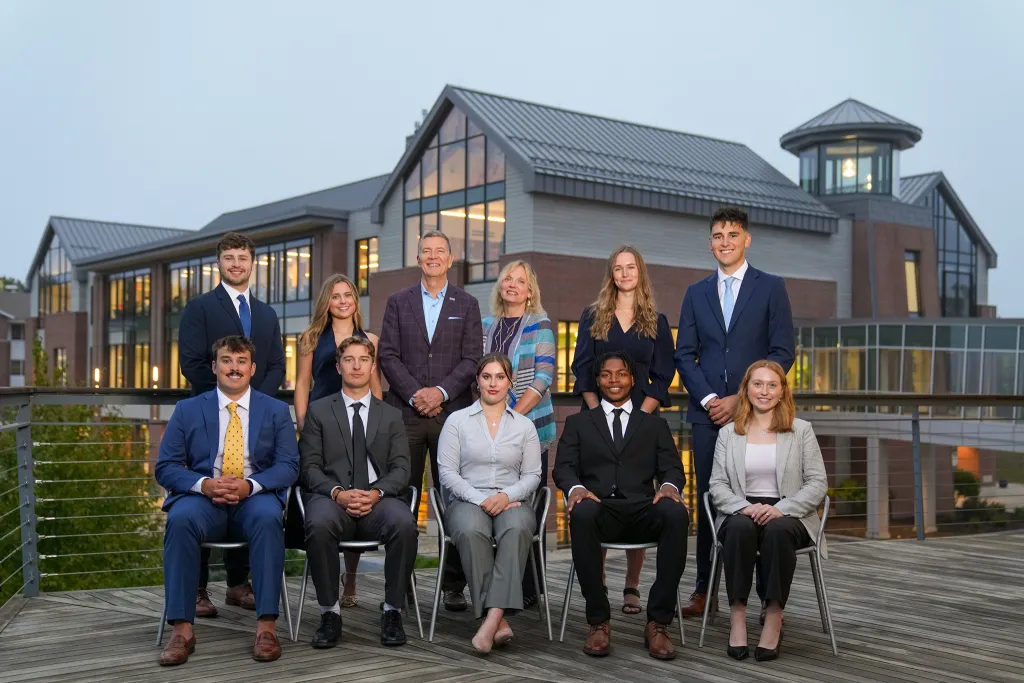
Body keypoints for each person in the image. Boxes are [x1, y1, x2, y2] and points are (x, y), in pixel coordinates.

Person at [674, 206, 795, 621]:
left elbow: (782, 353)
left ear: (747, 240)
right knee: (710, 500)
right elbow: (684, 355)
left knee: (762, 499)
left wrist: (740, 399)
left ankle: (765, 599)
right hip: (707, 418)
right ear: (710, 243)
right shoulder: (696, 293)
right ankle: (704, 589)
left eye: (732, 234)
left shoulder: (771, 287)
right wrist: (711, 400)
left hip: (758, 416)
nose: (725, 241)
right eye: (718, 235)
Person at [155, 335, 298, 666]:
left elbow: (290, 465)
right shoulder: (188, 409)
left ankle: (266, 627)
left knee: (268, 518)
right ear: (214, 366)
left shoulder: (276, 410)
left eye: (241, 361)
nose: (234, 368)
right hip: (204, 500)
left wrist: (251, 485)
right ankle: (182, 630)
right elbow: (166, 466)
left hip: (253, 499)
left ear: (253, 369)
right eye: (227, 361)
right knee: (180, 520)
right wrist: (204, 485)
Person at [553, 351, 689, 661]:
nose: (614, 380)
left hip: (642, 508)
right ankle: (598, 620)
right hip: (600, 509)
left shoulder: (652, 424)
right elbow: (563, 468)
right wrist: (576, 489)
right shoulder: (579, 423)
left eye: (621, 374)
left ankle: (658, 622)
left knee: (676, 512)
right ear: (598, 380)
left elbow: (672, 469)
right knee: (582, 511)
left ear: (633, 379)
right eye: (606, 375)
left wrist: (669, 486)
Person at [178, 232, 286, 617]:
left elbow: (276, 365)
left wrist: (252, 400)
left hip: (256, 423)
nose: (236, 263)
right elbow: (190, 363)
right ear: (219, 264)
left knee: (247, 491)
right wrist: (230, 392)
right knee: (207, 495)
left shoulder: (267, 313)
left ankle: (239, 586)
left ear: (252, 263)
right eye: (229, 257)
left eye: (242, 257)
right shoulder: (200, 308)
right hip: (210, 419)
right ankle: (197, 590)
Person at [378, 229, 482, 612]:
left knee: (453, 498)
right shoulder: (397, 302)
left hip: (452, 416)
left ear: (450, 259)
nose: (433, 256)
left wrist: (439, 392)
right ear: (418, 259)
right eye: (426, 251)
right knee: (401, 501)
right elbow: (387, 355)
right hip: (405, 416)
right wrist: (414, 394)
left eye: (440, 251)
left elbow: (472, 359)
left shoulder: (468, 304)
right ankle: (399, 587)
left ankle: (454, 585)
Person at [570, 245, 675, 616]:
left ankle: (632, 586)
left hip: (640, 420)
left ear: (640, 272)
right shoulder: (592, 316)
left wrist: (642, 416)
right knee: (596, 496)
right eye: (618, 268)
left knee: (638, 493)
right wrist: (598, 415)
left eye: (631, 267)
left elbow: (663, 374)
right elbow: (581, 368)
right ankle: (596, 585)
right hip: (597, 418)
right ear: (611, 274)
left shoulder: (656, 321)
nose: (625, 273)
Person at [299, 336, 418, 648]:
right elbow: (309, 467)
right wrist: (338, 493)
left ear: (372, 365)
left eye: (363, 359)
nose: (356, 365)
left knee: (405, 523)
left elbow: (402, 469)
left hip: (378, 501)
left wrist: (376, 493)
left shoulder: (390, 414)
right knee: (318, 523)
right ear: (338, 367)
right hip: (332, 500)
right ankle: (330, 612)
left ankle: (392, 610)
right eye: (348, 360)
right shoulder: (318, 411)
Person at [709, 360, 827, 662]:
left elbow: (817, 483)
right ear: (746, 390)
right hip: (742, 510)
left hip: (790, 514)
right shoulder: (729, 433)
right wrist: (746, 508)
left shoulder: (801, 431)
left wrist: (782, 509)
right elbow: (718, 485)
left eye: (772, 385)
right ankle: (738, 617)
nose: (764, 391)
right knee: (737, 528)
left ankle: (773, 616)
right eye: (758, 384)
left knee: (778, 529)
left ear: (782, 391)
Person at [438, 353, 542, 653]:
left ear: (510, 383)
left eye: (500, 377)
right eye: (487, 376)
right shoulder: (457, 421)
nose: (493, 383)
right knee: (471, 531)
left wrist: (507, 496)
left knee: (519, 528)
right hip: (467, 499)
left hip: (512, 501)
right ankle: (499, 621)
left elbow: (533, 475)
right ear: (477, 381)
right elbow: (446, 473)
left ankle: (491, 617)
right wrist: (482, 499)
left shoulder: (524, 426)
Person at [295, 274, 382, 608]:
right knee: (329, 498)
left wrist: (376, 428)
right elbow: (303, 383)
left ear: (356, 300)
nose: (343, 301)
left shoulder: (370, 338)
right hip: (321, 424)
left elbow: (375, 386)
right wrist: (303, 422)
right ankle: (327, 577)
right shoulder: (311, 338)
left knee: (357, 496)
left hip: (359, 426)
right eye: (336, 296)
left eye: (349, 295)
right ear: (326, 302)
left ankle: (352, 578)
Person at [481, 260, 555, 608]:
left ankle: (528, 587)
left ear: (530, 290)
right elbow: (477, 375)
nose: (511, 284)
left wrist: (512, 417)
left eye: (520, 281)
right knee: (496, 503)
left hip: (529, 431)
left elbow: (543, 377)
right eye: (507, 279)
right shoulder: (485, 325)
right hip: (487, 433)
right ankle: (494, 587)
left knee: (525, 505)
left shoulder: (540, 325)